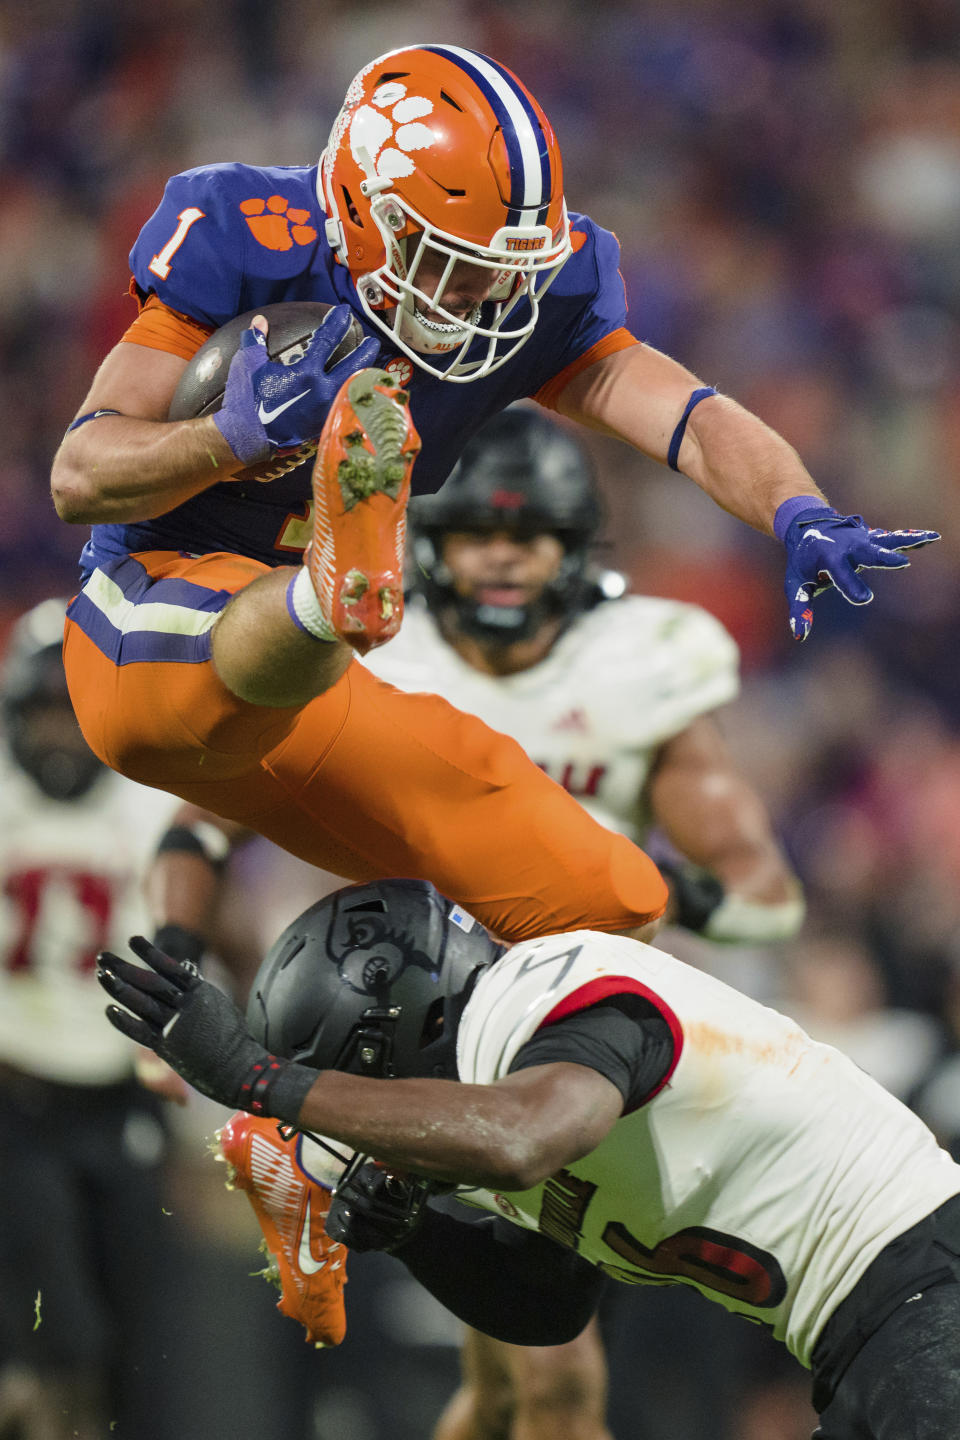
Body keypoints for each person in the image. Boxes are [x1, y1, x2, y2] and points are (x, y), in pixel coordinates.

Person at [49, 42, 934, 947]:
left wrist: (799, 509)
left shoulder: (523, 290)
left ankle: (335, 590)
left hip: (307, 695)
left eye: (509, 268)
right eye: (454, 260)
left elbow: (692, 418)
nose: (490, 297)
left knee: (608, 898)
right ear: (364, 212)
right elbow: (80, 476)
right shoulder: (249, 233)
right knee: (253, 625)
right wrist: (228, 439)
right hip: (145, 625)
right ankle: (328, 589)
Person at [98, 878, 960, 1440]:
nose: (365, 1134)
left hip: (927, 1288)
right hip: (865, 1336)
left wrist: (263, 1083)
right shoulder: (517, 1094)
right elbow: (548, 1305)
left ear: (407, 1024)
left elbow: (521, 1139)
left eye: (358, 1096)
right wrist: (417, 1239)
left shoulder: (544, 999)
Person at [362, 404, 806, 1439]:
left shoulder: (640, 663)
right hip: (437, 1039)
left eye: (532, 535)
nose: (505, 559)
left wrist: (665, 885)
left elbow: (767, 899)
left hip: (589, 1043)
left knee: (511, 1385)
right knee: (551, 1380)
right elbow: (223, 812)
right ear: (431, 544)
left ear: (574, 547)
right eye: (477, 532)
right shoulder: (375, 652)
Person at [0, 599, 178, 1440]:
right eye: (42, 717)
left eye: (74, 718)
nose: (59, 740)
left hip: (120, 1104)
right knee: (53, 1344)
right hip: (14, 1101)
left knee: (126, 1350)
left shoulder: (155, 809)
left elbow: (208, 956)